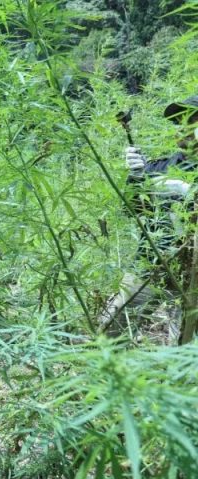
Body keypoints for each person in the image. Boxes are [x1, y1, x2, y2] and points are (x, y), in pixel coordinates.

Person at [100, 96, 198, 339]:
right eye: (179, 122)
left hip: (193, 271)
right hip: (151, 263)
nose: (184, 127)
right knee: (111, 328)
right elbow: (133, 209)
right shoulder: (161, 167)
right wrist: (135, 175)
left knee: (185, 342)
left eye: (192, 120)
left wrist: (188, 191)